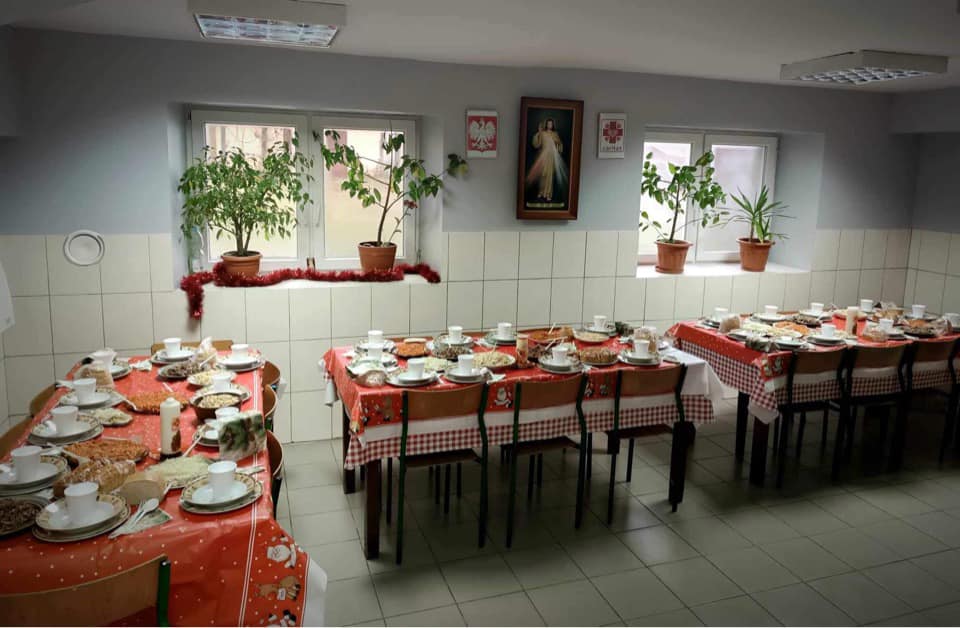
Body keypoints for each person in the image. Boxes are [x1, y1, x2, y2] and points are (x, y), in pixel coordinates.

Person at [526, 118, 567, 202]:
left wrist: (558, 145)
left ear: (553, 125)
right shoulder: (543, 133)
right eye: (548, 124)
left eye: (551, 124)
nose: (549, 125)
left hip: (551, 157)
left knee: (549, 175)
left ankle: (548, 194)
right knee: (542, 175)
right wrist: (539, 132)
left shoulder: (555, 134)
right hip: (543, 156)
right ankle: (541, 192)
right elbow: (537, 144)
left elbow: (559, 144)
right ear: (546, 124)